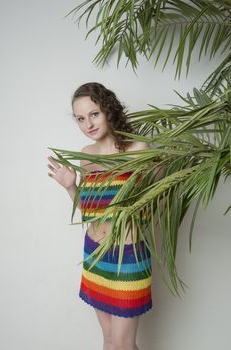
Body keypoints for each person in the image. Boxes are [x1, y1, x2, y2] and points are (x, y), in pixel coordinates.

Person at [47, 82, 152, 350]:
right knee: (108, 340)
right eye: (81, 119)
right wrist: (71, 186)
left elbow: (154, 203)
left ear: (108, 109)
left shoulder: (139, 149)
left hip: (127, 256)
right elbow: (90, 212)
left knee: (123, 343)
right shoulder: (86, 156)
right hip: (95, 255)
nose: (88, 124)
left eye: (93, 114)